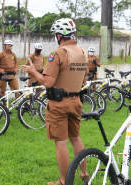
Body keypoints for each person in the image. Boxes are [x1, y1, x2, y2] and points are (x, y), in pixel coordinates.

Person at [21, 18, 89, 185]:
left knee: (61, 142)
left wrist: (33, 71)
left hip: (59, 104)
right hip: (76, 100)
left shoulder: (58, 53)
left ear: (59, 36)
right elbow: (84, 79)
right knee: (76, 138)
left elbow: (48, 82)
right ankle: (84, 173)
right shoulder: (82, 52)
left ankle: (64, 180)